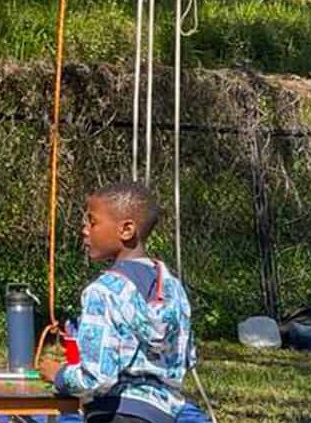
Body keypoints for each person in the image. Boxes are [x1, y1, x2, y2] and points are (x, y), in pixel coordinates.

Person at [41, 181, 196, 423]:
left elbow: (96, 377)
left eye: (92, 222)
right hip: (164, 412)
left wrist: (59, 375)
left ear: (126, 230)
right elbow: (187, 357)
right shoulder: (173, 288)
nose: (84, 229)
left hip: (115, 412)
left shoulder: (103, 292)